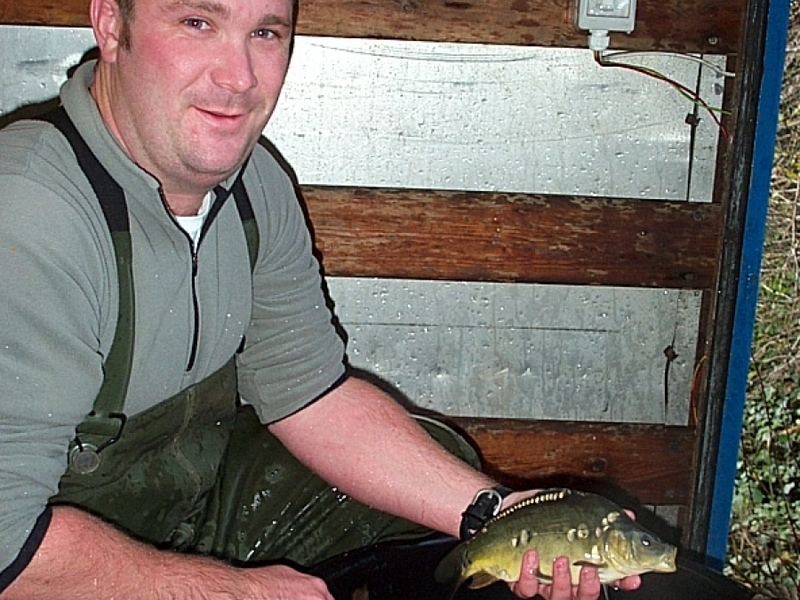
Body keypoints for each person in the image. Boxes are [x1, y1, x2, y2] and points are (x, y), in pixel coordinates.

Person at [0, 0, 643, 597]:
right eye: (197, 22)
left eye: (265, 33)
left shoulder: (253, 188)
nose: (239, 77)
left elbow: (310, 394)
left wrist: (498, 515)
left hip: (193, 507)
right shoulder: (29, 210)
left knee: (441, 468)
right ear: (112, 27)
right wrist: (230, 589)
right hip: (30, 552)